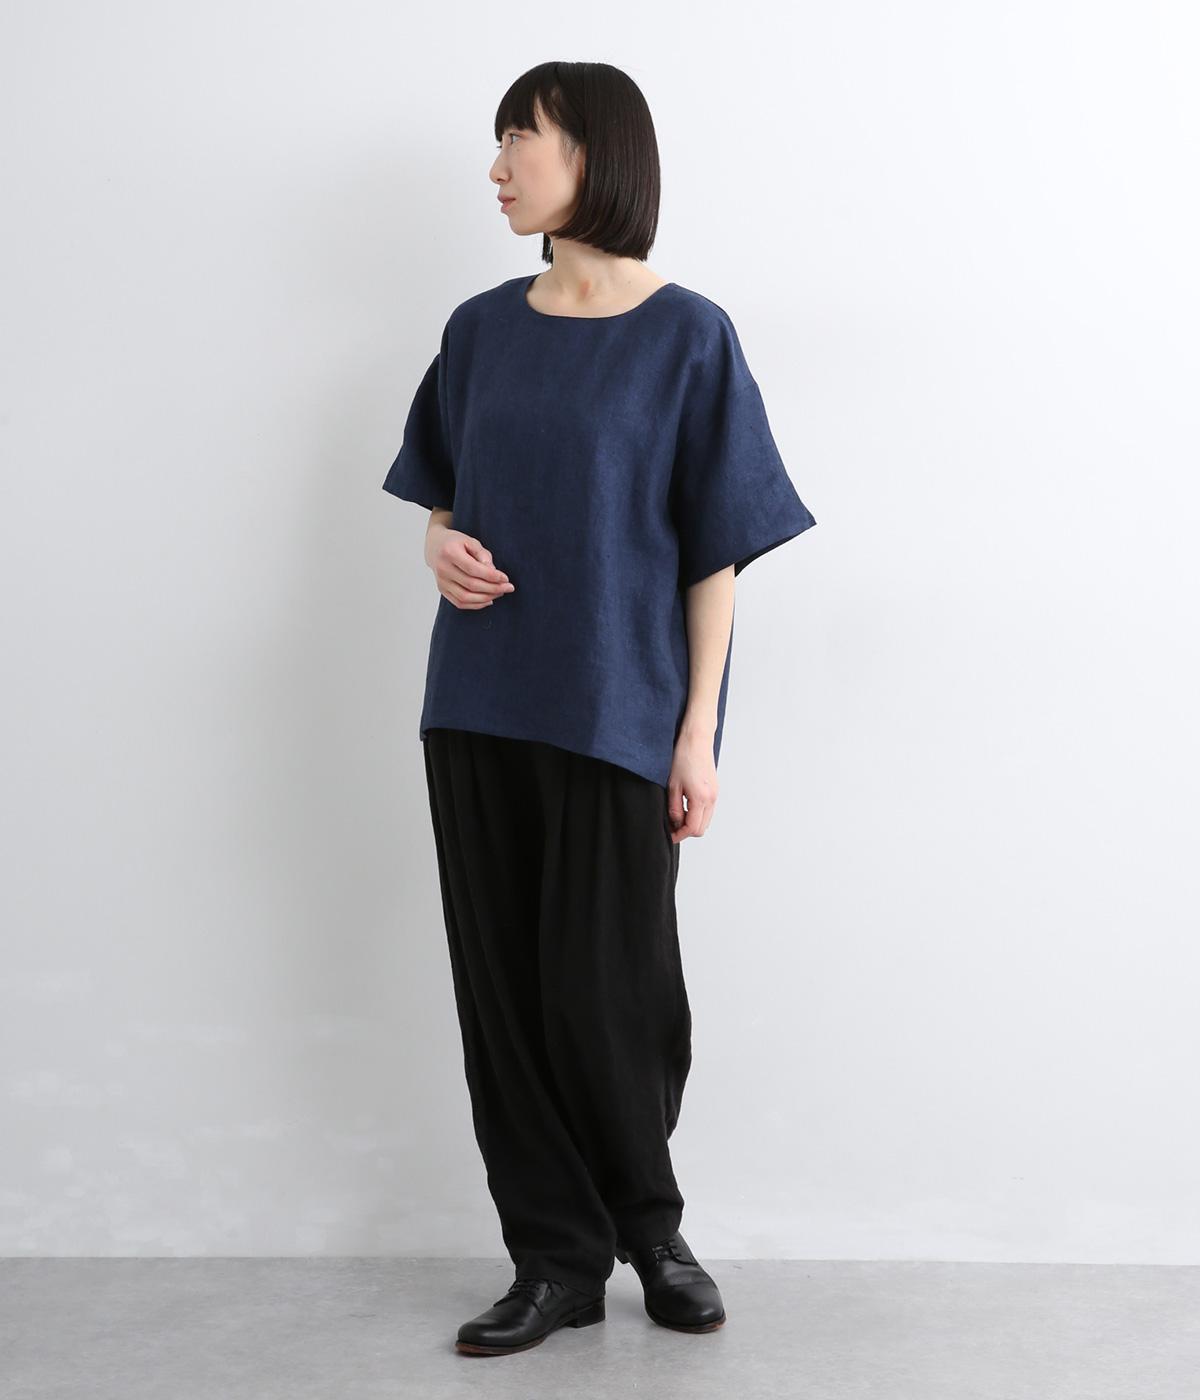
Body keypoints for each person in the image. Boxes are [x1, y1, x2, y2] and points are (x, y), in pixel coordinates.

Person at [382, 61, 817, 1358]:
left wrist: (698, 735)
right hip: (477, 703)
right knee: (507, 997)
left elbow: (715, 551)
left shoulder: (689, 336)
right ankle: (554, 1262)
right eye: (500, 141)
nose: (499, 166)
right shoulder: (479, 330)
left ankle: (651, 1228)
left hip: (619, 710)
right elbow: (445, 494)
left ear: (593, 153)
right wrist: (437, 546)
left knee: (612, 990)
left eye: (520, 138)